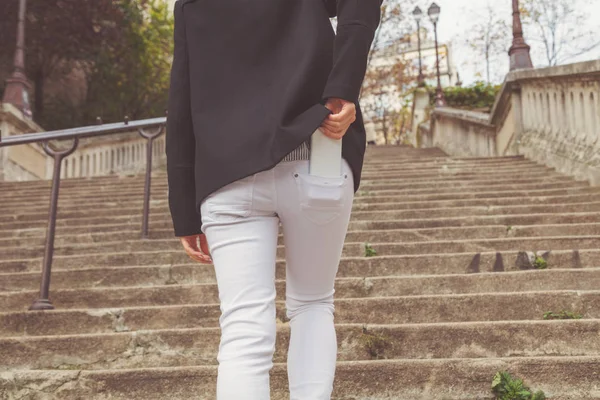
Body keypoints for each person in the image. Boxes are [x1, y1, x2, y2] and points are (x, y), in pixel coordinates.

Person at [165, 0, 382, 398]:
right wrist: (343, 87)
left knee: (243, 327)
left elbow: (180, 100)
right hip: (318, 148)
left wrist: (184, 211)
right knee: (313, 304)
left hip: (226, 174)